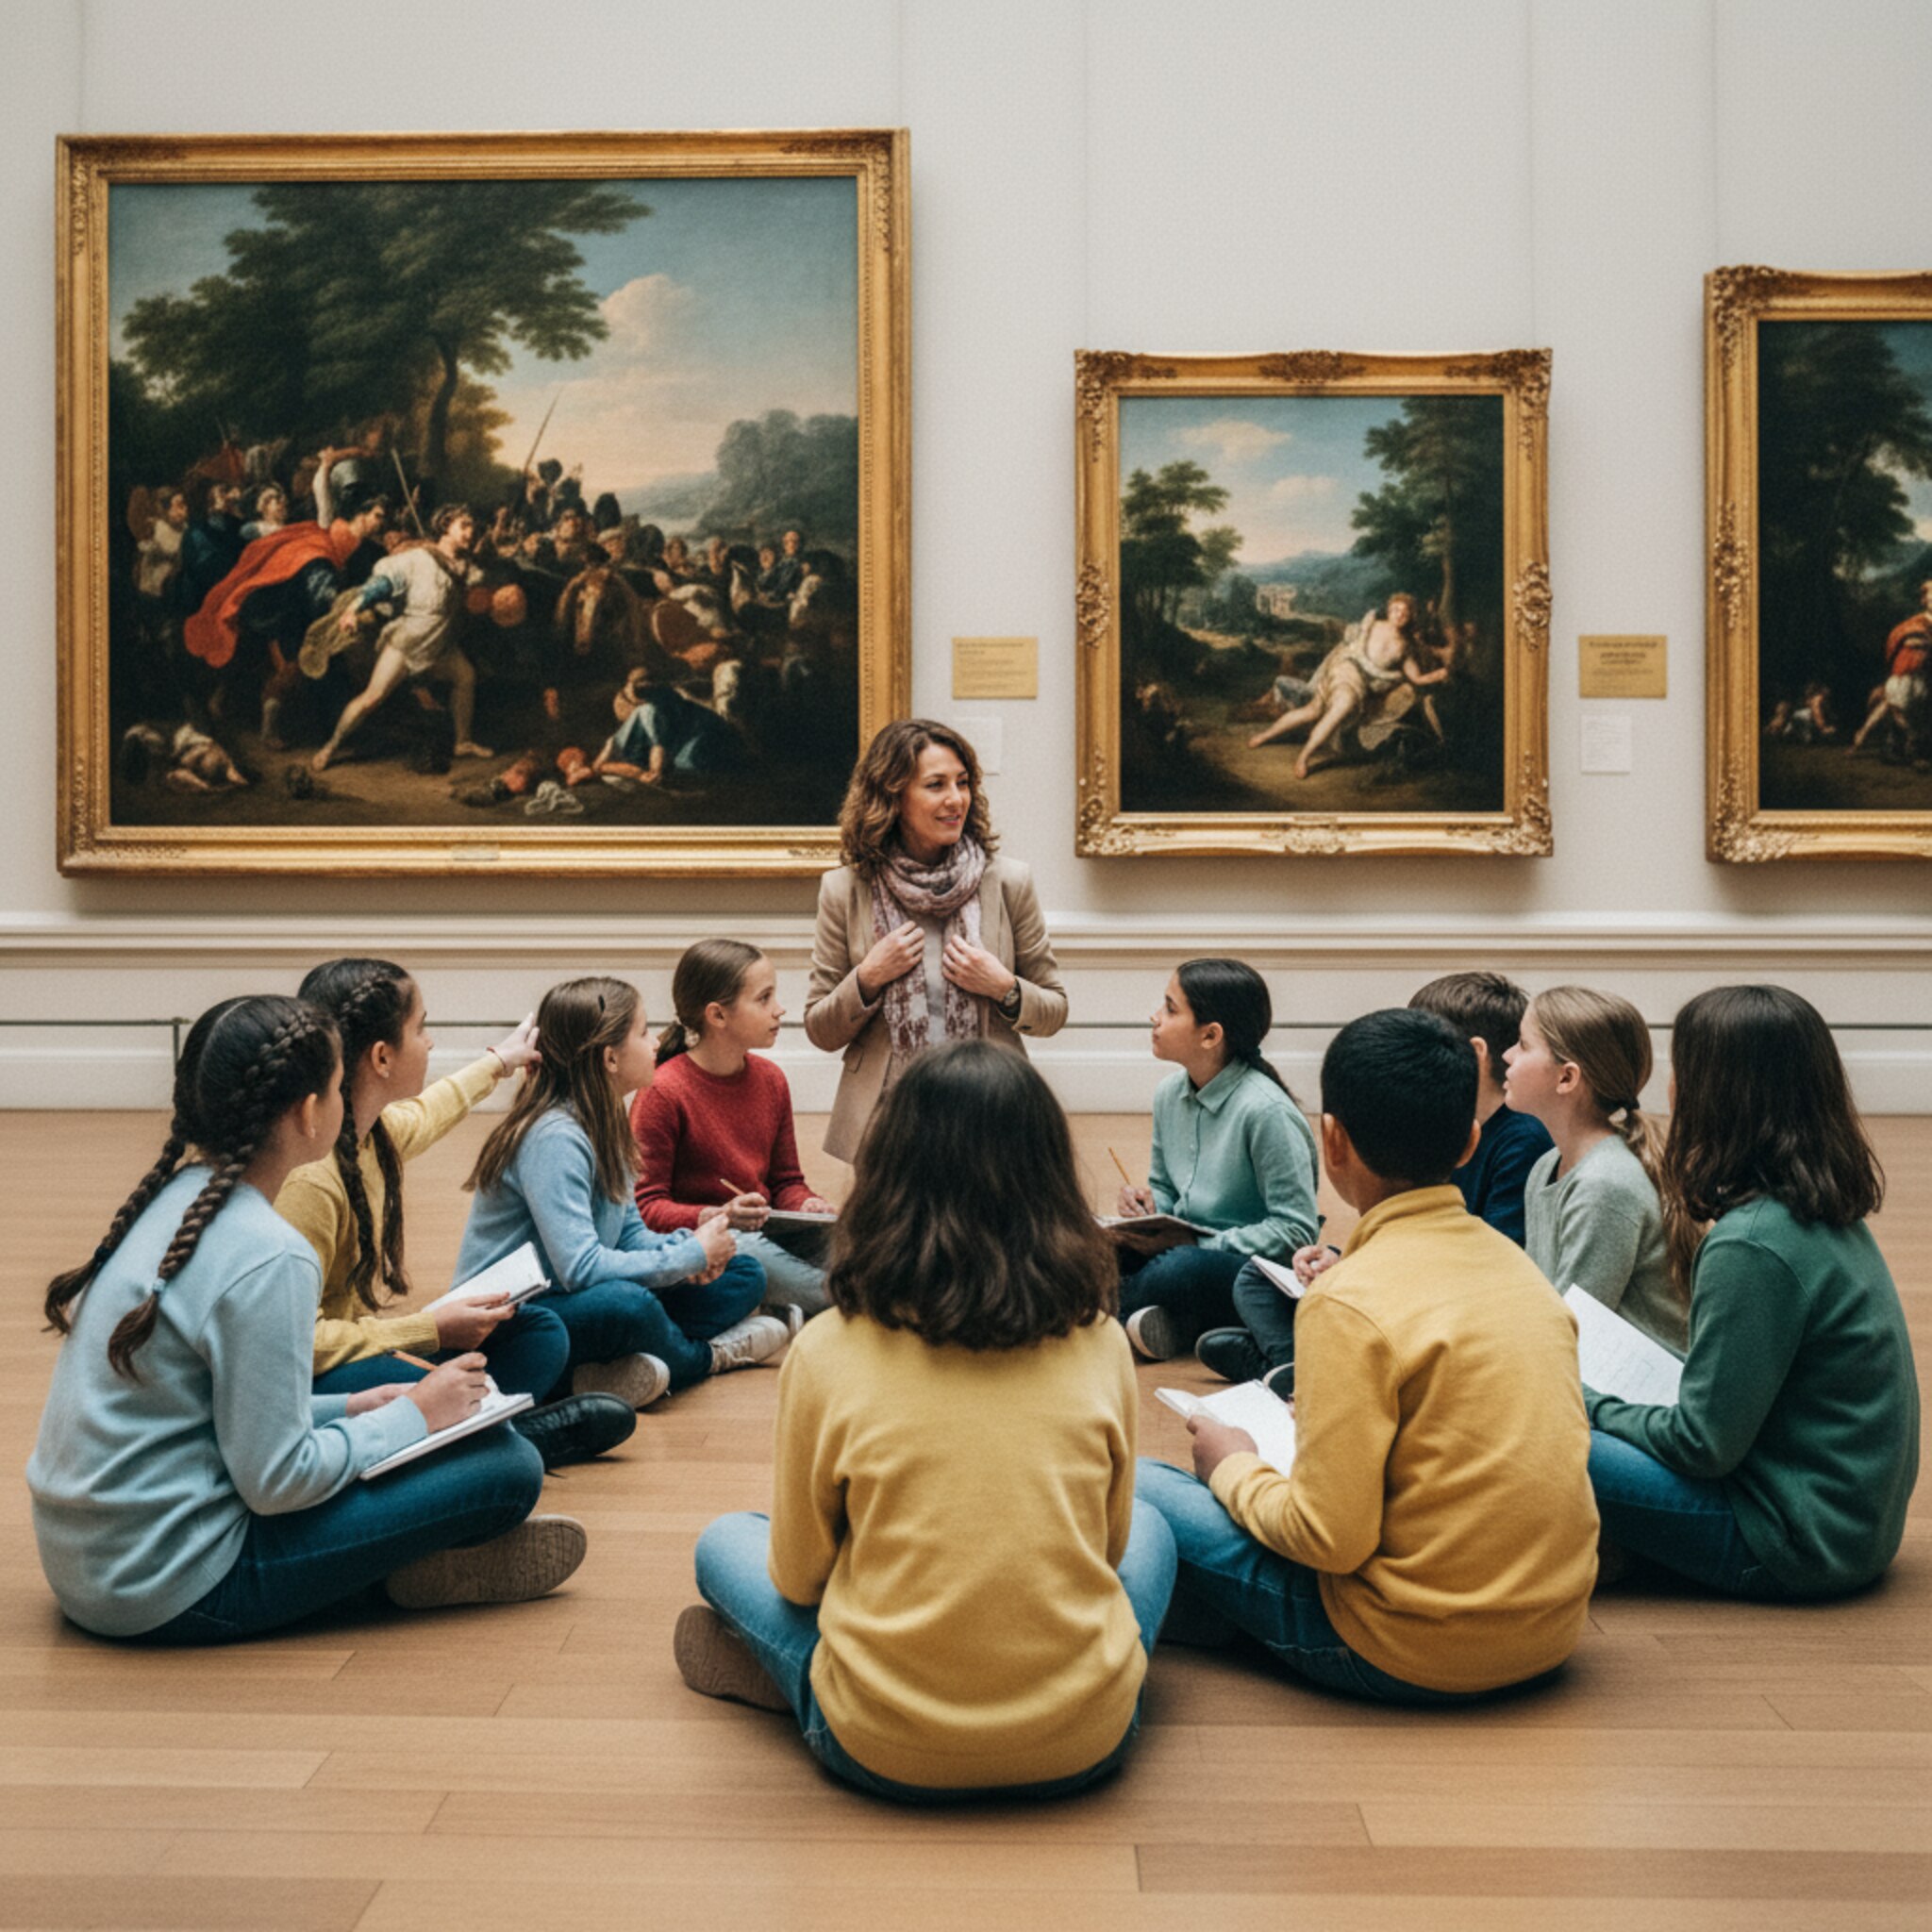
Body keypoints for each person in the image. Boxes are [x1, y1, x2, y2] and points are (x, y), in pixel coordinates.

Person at [674, 1040, 1176, 1801]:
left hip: (880, 1747)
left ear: (888, 1176)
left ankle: (803, 1683)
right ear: (1049, 1180)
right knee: (1154, 1530)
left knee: (724, 1542)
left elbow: (799, 1576)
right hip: (1086, 1739)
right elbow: (1106, 1551)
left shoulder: (829, 1348)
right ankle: (1064, 1678)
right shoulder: (1101, 1338)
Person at [28, 995, 585, 1641]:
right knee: (507, 1469)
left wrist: (351, 1410)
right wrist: (413, 1416)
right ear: (311, 1110)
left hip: (92, 1564)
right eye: (336, 1087)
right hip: (170, 1587)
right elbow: (277, 1482)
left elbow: (202, 1411)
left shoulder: (174, 1201)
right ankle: (393, 1575)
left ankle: (402, 1561)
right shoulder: (270, 1253)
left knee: (459, 1434)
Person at [1136, 1008, 1599, 1705]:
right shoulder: (1519, 1269)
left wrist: (1230, 1465)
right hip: (1550, 1631)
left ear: (1333, 1142)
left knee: (1143, 1482)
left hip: (1404, 1648)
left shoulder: (1346, 1302)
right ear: (1471, 1141)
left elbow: (1328, 1540)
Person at [1586, 986, 1919, 1599]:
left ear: (1707, 1097)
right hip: (1847, 1525)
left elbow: (1702, 1445)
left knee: (1541, 1432)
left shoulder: (1754, 1243)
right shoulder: (1818, 1211)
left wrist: (1589, 1405)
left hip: (1797, 1542)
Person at [276, 958, 635, 1471]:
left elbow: (433, 1109)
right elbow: (300, 1346)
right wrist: (429, 1329)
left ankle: (482, 1431)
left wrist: (501, 1062)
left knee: (537, 1332)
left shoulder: (370, 1134)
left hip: (357, 1348)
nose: (430, 1043)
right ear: (382, 1056)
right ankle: (497, 1437)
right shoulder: (310, 1180)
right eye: (421, 1028)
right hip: (310, 1380)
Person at [456, 976, 791, 1411]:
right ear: (610, 1058)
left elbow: (629, 1233)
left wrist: (693, 1249)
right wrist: (685, 1259)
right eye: (643, 1032)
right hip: (517, 1321)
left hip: (576, 1297)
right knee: (628, 1304)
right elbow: (579, 1269)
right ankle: (704, 1358)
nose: (655, 1044)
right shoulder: (554, 1136)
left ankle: (602, 1371)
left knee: (745, 1274)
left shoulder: (606, 1120)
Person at [805, 718, 1067, 1163]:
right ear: (892, 796)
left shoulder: (1008, 882)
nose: (955, 799)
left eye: (963, 783)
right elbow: (820, 1029)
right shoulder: (845, 889)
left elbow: (1054, 1011)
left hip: (991, 1112)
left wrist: (1003, 987)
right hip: (888, 1123)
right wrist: (868, 978)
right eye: (935, 785)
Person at [1116, 959, 1319, 1367]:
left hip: (1248, 1271)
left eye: (1171, 1009)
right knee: (1089, 1248)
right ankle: (1166, 1323)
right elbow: (1167, 1189)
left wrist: (1201, 1244)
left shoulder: (1267, 1112)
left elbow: (1297, 1229)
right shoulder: (1169, 1093)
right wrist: (1148, 1206)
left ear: (1210, 1035)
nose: (1155, 1017)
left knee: (1176, 1270)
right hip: (1184, 1252)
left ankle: (1104, 1321)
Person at [632, 940, 837, 1318]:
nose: (779, 1009)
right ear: (718, 1016)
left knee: (856, 1241)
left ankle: (809, 1303)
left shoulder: (771, 1080)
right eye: (764, 998)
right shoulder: (663, 1091)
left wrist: (807, 1206)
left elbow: (786, 1182)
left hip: (763, 1228)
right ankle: (848, 1304)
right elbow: (644, 1208)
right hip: (703, 1240)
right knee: (749, 1251)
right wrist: (717, 1214)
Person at [1504, 986, 1683, 1354]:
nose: (1506, 1055)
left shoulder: (1605, 1185)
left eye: (1522, 1045)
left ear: (1566, 1078)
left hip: (1639, 1402)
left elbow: (1570, 1331)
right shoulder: (1545, 1166)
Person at [310, 504, 494, 772]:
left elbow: (477, 595)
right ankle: (331, 745)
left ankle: (462, 741)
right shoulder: (418, 559)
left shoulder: (467, 568)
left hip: (440, 646)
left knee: (465, 677)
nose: (470, 532)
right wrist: (353, 609)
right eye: (464, 525)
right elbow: (381, 586)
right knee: (372, 697)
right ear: (445, 525)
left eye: (473, 527)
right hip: (408, 643)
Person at [1408, 971, 1552, 1244]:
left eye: (1421, 1048)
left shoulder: (1525, 1140)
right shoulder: (1445, 1128)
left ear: (1475, 1054)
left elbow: (1494, 1255)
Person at [1247, 593, 1448, 776]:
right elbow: (1349, 641)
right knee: (1342, 705)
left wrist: (1440, 674)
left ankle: (1270, 738)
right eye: (1396, 610)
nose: (1399, 615)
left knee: (1313, 710)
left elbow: (1417, 678)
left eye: (1405, 612)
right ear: (1389, 610)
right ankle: (1301, 756)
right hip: (1346, 668)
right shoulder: (1373, 624)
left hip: (1363, 683)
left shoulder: (1406, 647)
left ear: (1411, 616)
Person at [1849, 578, 1931, 761]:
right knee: (1895, 708)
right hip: (1905, 675)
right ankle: (1913, 745)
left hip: (1924, 679)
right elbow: (1893, 646)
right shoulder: (1911, 625)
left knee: (1890, 708)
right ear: (1924, 600)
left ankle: (1861, 738)